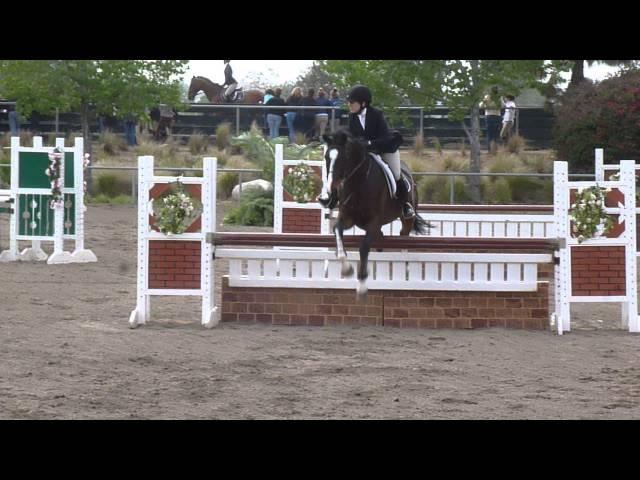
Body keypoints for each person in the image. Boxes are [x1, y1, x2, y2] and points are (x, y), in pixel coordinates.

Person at [319, 85, 414, 219]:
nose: (349, 105)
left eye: (352, 102)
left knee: (396, 175)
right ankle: (332, 199)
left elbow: (384, 137)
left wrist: (369, 143)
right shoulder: (352, 117)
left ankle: (405, 205)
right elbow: (350, 134)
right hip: (365, 152)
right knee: (343, 170)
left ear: (363, 103)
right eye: (349, 102)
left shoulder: (376, 115)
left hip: (384, 149)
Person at [479, 86, 501, 153]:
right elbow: (503, 106)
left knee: (489, 134)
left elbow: (480, 105)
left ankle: (489, 149)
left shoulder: (487, 97)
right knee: (496, 133)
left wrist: (484, 102)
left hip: (488, 116)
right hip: (497, 116)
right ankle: (495, 149)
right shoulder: (499, 97)